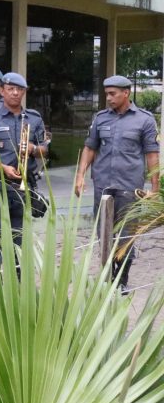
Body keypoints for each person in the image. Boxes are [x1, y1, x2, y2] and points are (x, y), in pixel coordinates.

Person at [74, 75, 160, 293]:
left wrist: (155, 189)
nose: (109, 98)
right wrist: (80, 175)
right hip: (103, 184)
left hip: (130, 187)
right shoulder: (100, 118)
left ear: (126, 93)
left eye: (113, 94)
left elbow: (152, 155)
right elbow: (90, 147)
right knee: (104, 233)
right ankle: (107, 275)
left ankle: (121, 281)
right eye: (107, 94)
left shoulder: (145, 120)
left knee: (127, 234)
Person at [0, 72, 49, 250]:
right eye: (11, 89)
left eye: (19, 89)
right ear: (2, 91)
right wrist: (3, 168)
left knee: (19, 235)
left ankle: (17, 272)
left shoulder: (34, 118)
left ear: (24, 92)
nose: (15, 93)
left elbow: (44, 150)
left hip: (23, 184)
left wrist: (34, 149)